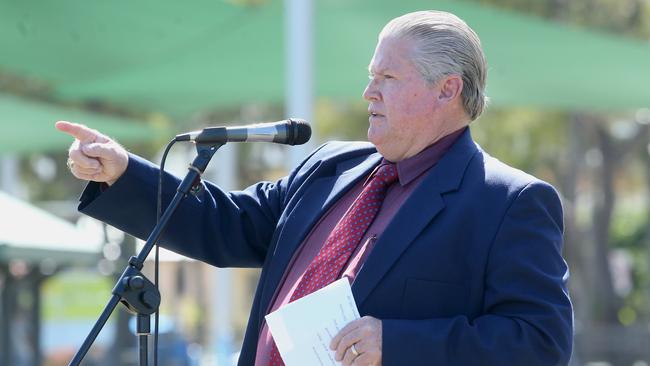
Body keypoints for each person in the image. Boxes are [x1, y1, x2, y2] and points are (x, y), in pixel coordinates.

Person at [57, 10, 573, 366]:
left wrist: (397, 344)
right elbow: (223, 224)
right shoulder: (330, 166)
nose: (368, 91)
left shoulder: (509, 203)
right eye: (371, 75)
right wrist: (122, 171)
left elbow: (540, 342)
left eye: (388, 77)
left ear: (447, 89)